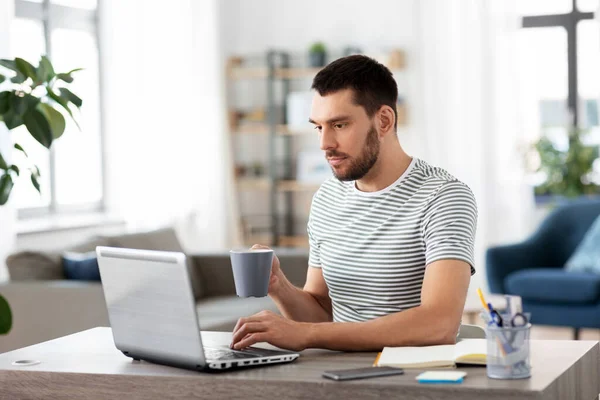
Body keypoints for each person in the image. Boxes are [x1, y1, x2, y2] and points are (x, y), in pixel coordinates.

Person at [230, 55, 477, 352]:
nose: (324, 144)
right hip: (337, 372)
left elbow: (439, 324)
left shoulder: (443, 197)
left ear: (384, 120)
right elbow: (321, 313)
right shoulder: (326, 198)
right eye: (318, 127)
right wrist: (279, 286)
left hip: (411, 377)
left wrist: (307, 335)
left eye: (339, 125)